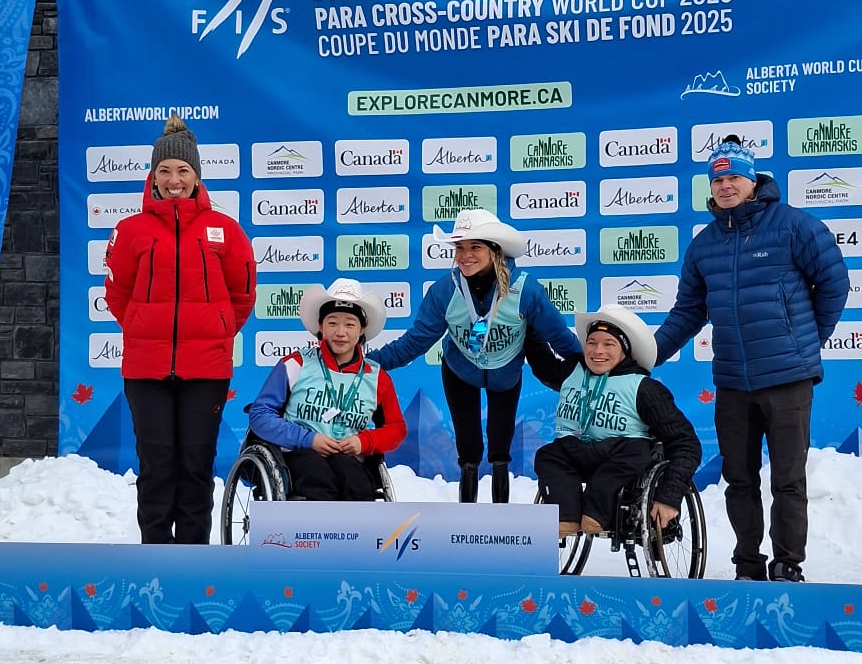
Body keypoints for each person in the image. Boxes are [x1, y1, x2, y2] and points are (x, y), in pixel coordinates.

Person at [652, 137, 849, 583]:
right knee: (738, 479)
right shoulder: (704, 245)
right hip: (733, 383)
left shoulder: (795, 226)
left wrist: (805, 341)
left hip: (788, 379)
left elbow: (835, 283)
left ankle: (788, 563)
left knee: (787, 480)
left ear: (752, 180)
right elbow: (688, 312)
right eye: (717, 180)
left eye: (733, 177)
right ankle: (747, 563)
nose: (725, 186)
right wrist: (648, 353)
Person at [105, 116, 256, 544]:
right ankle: (156, 557)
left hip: (206, 370)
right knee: (156, 465)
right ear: (153, 176)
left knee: (195, 465)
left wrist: (217, 331)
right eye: (165, 170)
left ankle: (192, 560)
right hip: (146, 369)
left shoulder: (225, 230)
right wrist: (142, 328)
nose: (174, 180)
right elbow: (117, 293)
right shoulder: (130, 230)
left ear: (197, 176)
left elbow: (243, 293)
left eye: (183, 170)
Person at [371, 206, 582, 502]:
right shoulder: (445, 291)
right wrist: (366, 363)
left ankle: (501, 518)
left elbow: (558, 336)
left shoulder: (525, 290)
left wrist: (590, 365)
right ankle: (466, 518)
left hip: (506, 372)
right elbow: (414, 342)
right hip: (460, 370)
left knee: (500, 449)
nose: (465, 255)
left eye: (475, 247)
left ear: (495, 250)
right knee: (468, 452)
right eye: (459, 248)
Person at [535, 304, 702, 538]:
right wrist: (526, 324)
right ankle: (566, 516)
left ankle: (596, 512)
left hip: (621, 455)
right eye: (591, 342)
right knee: (548, 456)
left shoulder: (645, 389)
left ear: (624, 349)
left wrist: (669, 497)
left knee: (635, 452)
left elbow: (685, 443)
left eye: (609, 344)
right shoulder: (572, 371)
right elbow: (542, 364)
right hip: (576, 449)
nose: (597, 351)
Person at [247, 279, 406, 500]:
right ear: (320, 327)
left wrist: (364, 442)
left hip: (349, 457)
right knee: (317, 477)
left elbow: (396, 429)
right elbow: (260, 415)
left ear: (362, 329)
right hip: (298, 453)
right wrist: (308, 439)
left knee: (356, 483)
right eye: (332, 323)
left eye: (350, 324)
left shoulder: (377, 377)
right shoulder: (296, 365)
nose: (340, 332)